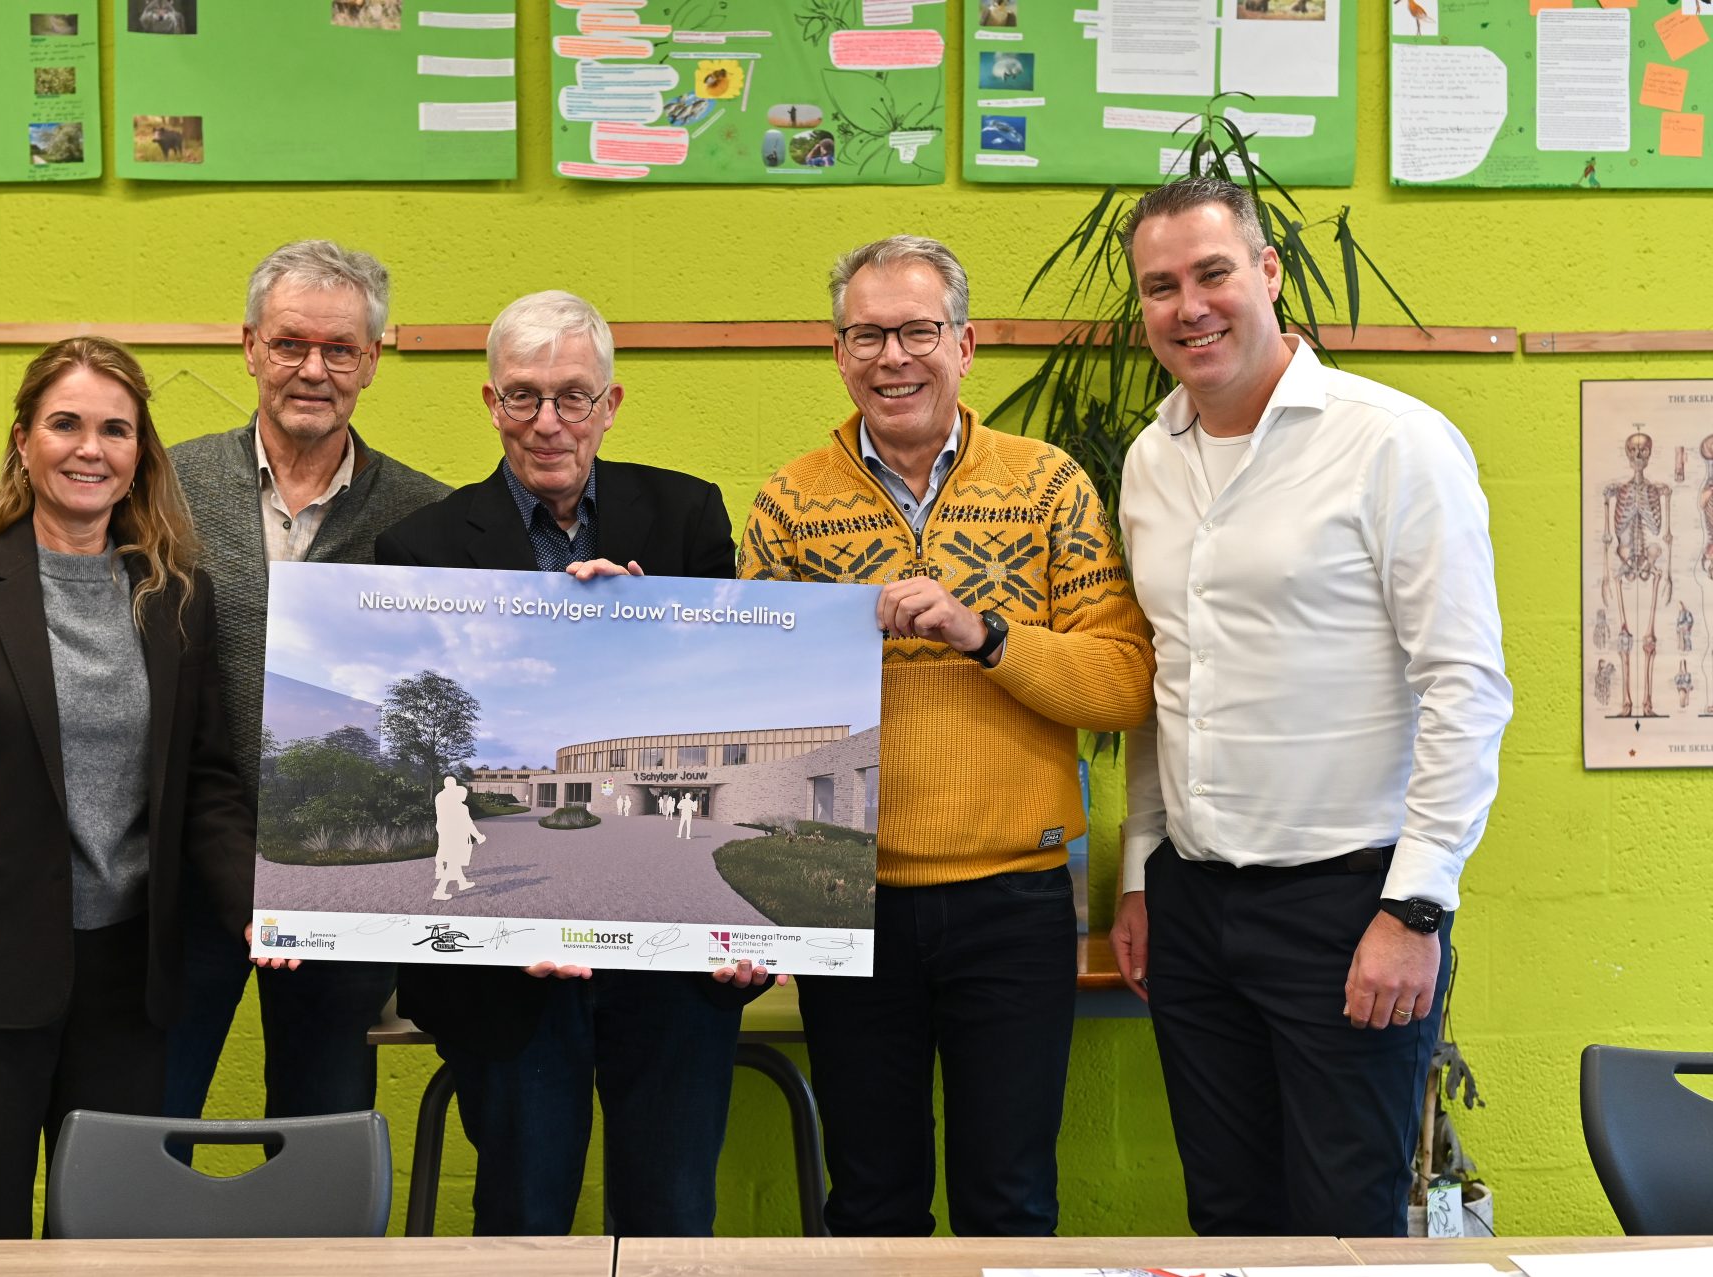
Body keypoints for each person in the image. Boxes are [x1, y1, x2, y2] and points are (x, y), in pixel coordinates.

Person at [1108, 177, 1512, 1237]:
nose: (1188, 305)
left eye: (1211, 273)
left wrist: (1416, 905)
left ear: (1268, 272)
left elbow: (1466, 684)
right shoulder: (1150, 461)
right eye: (1160, 286)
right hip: (1193, 905)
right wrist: (1141, 867)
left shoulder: (1393, 442)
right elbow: (1167, 680)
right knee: (1230, 1217)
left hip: (1350, 906)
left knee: (1347, 1229)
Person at [738, 236, 1156, 1237]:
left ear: (964, 344)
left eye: (918, 331)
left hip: (1015, 897)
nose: (894, 356)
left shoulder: (1049, 486)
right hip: (849, 899)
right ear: (838, 352)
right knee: (871, 1201)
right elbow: (754, 707)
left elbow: (1121, 682)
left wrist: (989, 633)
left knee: (1009, 1200)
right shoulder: (789, 501)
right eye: (868, 334)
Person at [0, 337, 293, 1239]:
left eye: (115, 430)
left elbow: (204, 782)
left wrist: (262, 902)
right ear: (24, 440)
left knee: (113, 1239)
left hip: (130, 984)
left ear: (139, 458)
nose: (91, 447)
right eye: (67, 423)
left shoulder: (175, 598)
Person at [376, 289, 776, 1237]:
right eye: (522, 397)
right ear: (488, 402)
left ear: (611, 403)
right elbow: (423, 738)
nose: (547, 422)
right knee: (520, 1217)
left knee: (673, 1215)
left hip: (673, 972)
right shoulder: (421, 547)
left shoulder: (684, 515)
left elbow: (725, 697)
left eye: (571, 396)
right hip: (504, 973)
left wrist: (645, 633)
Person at [164, 240, 449, 1135]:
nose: (313, 370)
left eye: (339, 349)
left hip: (338, 872)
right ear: (249, 346)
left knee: (319, 1127)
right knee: (146, 1119)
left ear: (371, 360)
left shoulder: (425, 514)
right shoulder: (163, 486)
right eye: (290, 344)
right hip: (180, 866)